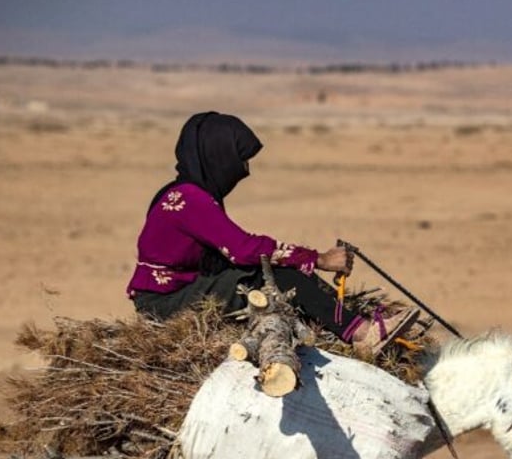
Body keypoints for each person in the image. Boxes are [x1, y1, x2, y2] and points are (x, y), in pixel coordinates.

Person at [126, 111, 418, 356]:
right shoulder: (189, 199)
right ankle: (362, 335)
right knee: (277, 276)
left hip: (181, 290)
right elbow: (243, 249)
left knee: (279, 270)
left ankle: (349, 321)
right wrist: (319, 259)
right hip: (166, 302)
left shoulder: (189, 193)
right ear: (219, 157)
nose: (245, 170)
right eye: (240, 159)